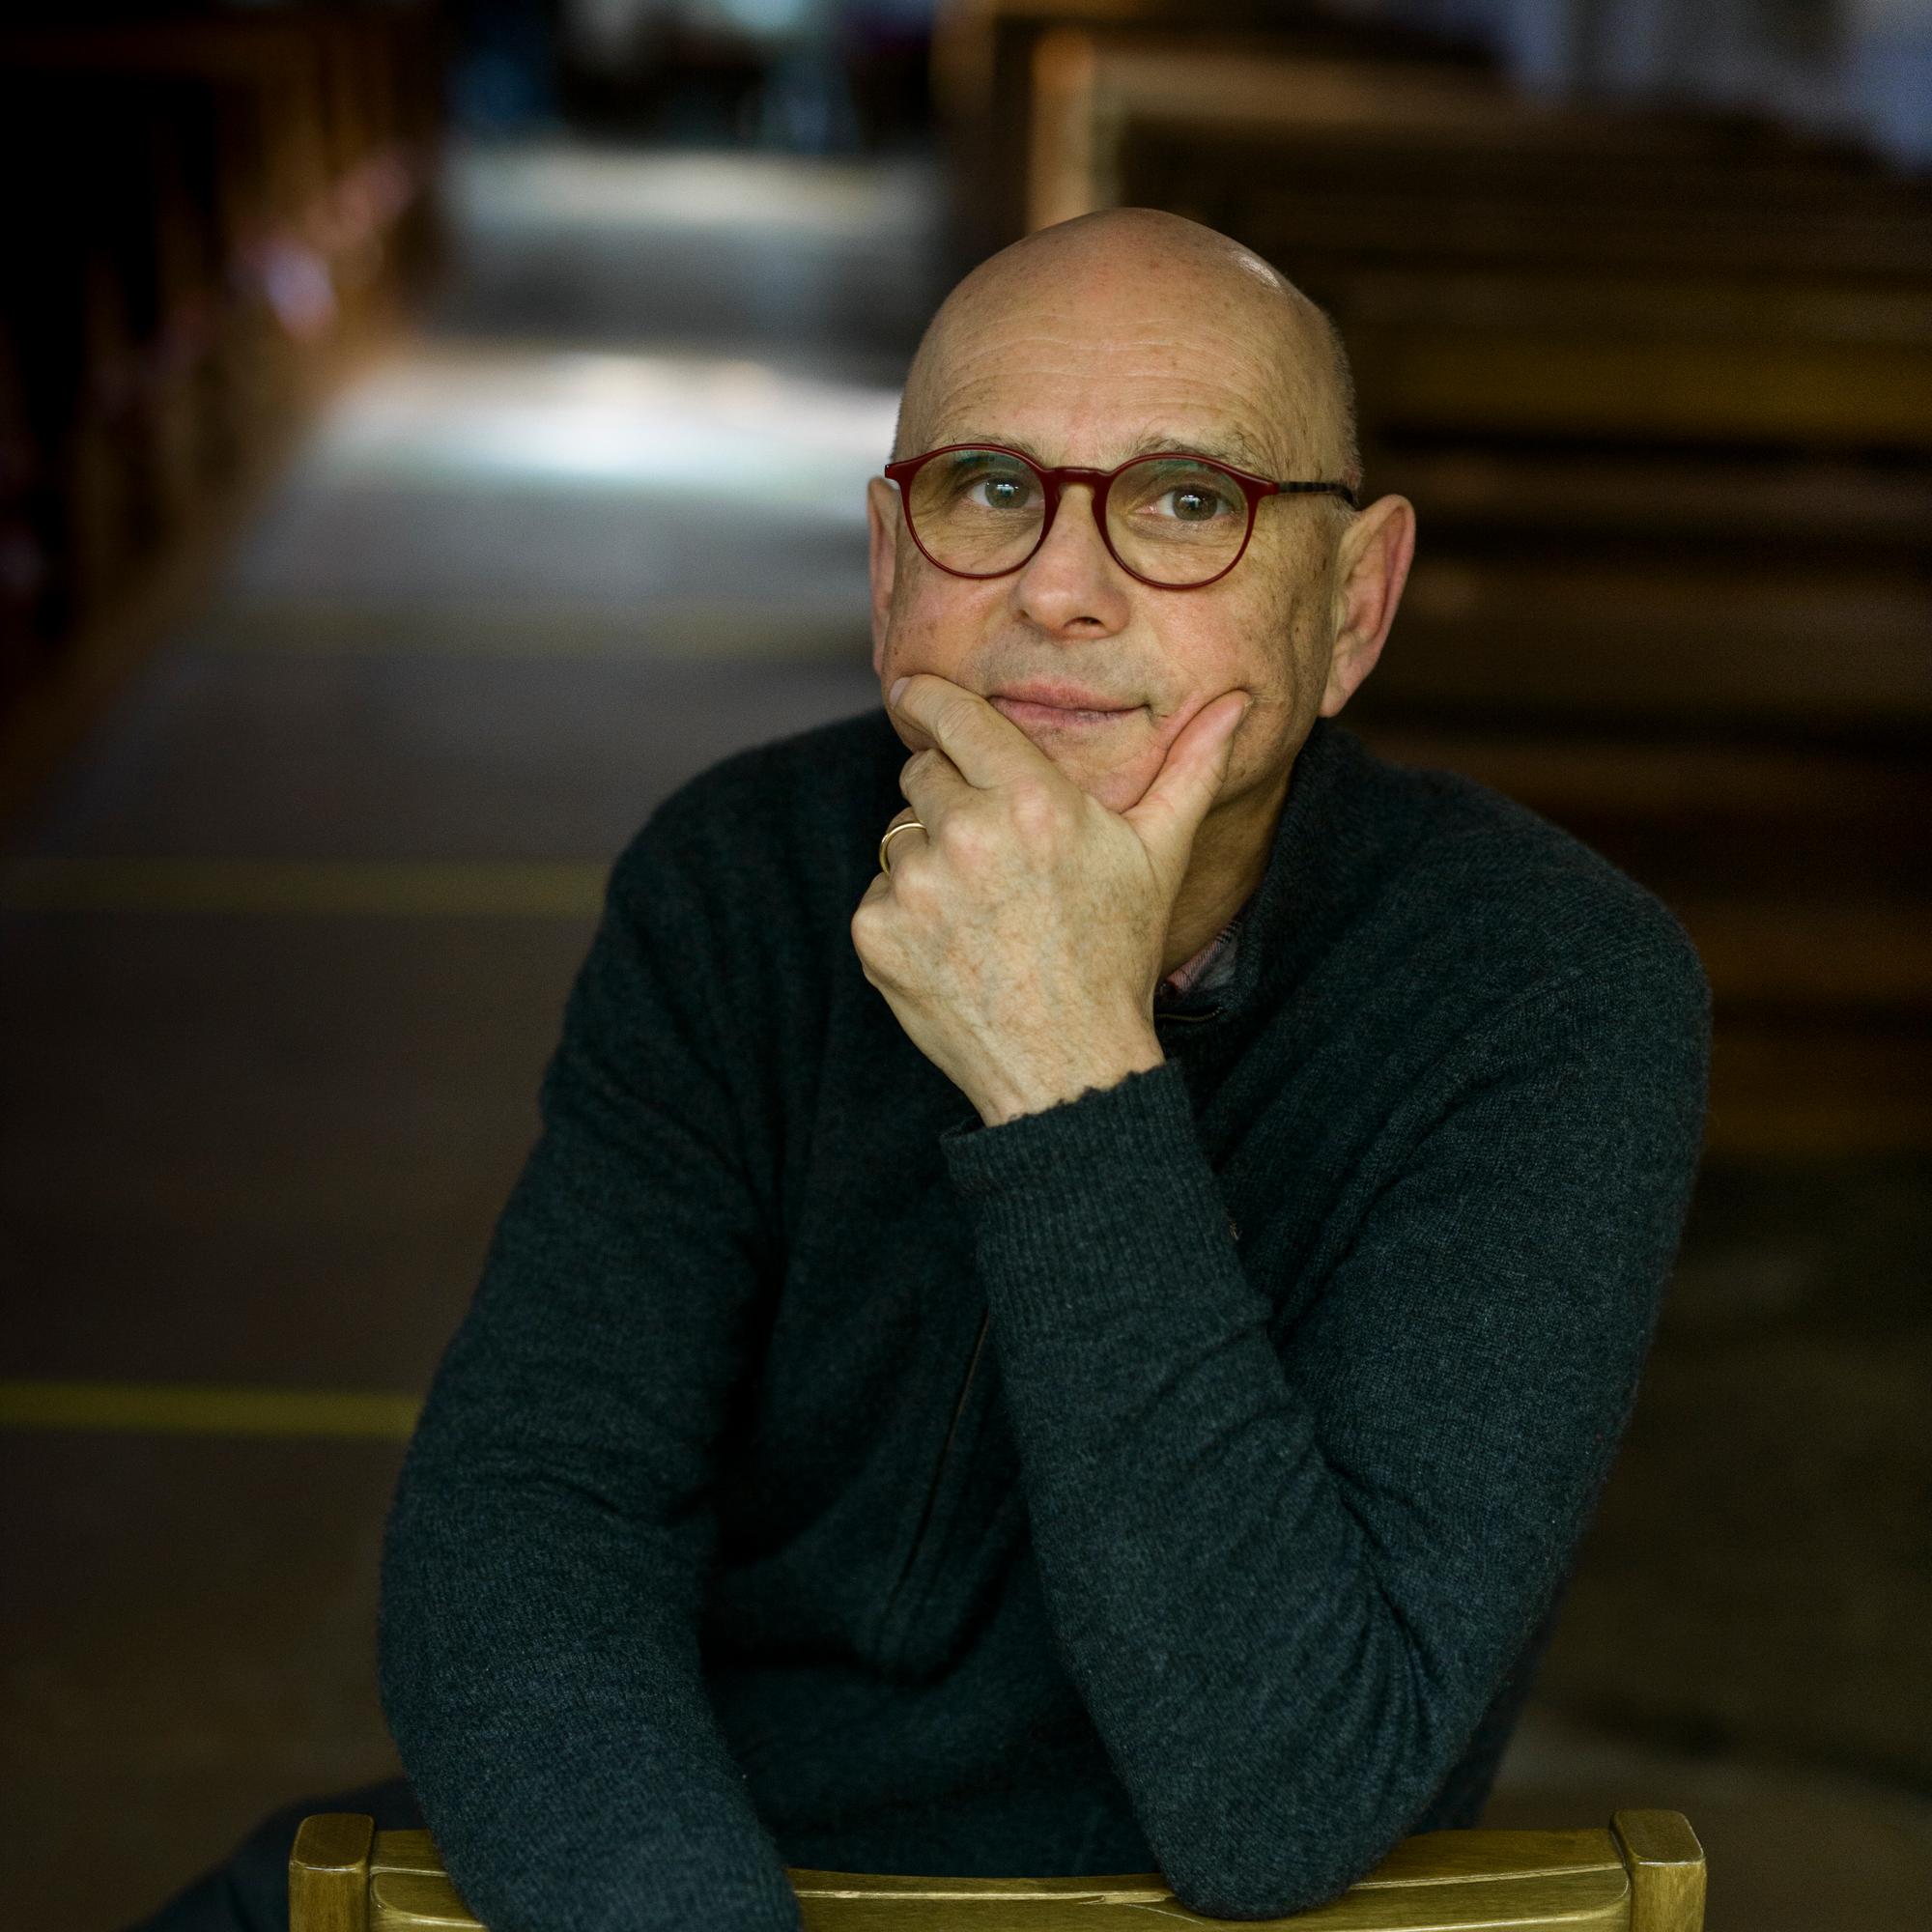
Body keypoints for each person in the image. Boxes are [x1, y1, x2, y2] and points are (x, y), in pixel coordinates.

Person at [132, 208, 1710, 1932]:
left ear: (1355, 604)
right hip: (677, 1859)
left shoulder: (1554, 989)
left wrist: (1065, 1075)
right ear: (891, 572)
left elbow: (1283, 1798)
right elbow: (528, 1525)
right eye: (986, 490)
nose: (1059, 583)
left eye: (1192, 499)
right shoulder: (739, 874)